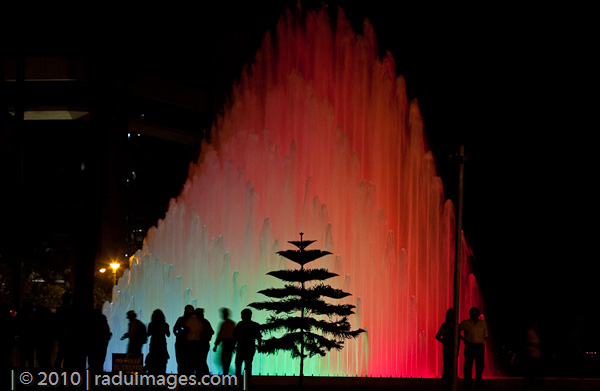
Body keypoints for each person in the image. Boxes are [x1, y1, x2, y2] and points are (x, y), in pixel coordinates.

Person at [459, 307, 488, 390]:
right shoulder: (465, 323)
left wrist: (479, 340)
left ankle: (478, 382)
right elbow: (457, 331)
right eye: (473, 313)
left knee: (480, 365)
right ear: (470, 314)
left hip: (479, 346)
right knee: (468, 365)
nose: (474, 315)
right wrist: (464, 339)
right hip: (470, 346)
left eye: (476, 314)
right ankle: (467, 384)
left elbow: (486, 336)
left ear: (478, 314)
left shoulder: (483, 324)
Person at [233, 308, 261, 384]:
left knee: (238, 365)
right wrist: (259, 344)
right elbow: (258, 336)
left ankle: (238, 382)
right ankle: (246, 382)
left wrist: (233, 345)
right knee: (248, 365)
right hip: (250, 347)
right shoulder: (254, 325)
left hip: (241, 347)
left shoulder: (240, 324)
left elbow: (235, 336)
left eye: (242, 315)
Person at [436, 308, 458, 388]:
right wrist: (444, 342)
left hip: (454, 347)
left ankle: (451, 380)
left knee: (453, 364)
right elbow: (438, 336)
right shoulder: (445, 325)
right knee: (447, 364)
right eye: (451, 314)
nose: (453, 316)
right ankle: (446, 381)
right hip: (448, 348)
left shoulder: (456, 325)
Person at [146, 309, 171, 374]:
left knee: (153, 362)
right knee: (162, 363)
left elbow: (148, 334)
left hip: (154, 344)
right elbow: (168, 334)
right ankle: (161, 379)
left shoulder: (151, 324)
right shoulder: (165, 325)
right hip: (162, 344)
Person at [213, 308, 236, 374]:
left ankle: (225, 374)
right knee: (227, 361)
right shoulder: (232, 323)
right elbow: (235, 335)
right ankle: (227, 374)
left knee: (224, 360)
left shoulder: (224, 324)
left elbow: (220, 335)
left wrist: (216, 345)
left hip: (226, 344)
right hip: (230, 344)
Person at [173, 305, 194, 373]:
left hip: (180, 343)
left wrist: (178, 335)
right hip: (190, 344)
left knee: (181, 363)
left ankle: (181, 379)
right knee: (190, 363)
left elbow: (174, 329)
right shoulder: (195, 321)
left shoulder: (181, 319)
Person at [196, 308, 214, 375]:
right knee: (202, 361)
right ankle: (204, 375)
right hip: (205, 343)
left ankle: (201, 375)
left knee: (200, 361)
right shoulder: (205, 322)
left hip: (199, 344)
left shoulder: (198, 322)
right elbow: (211, 332)